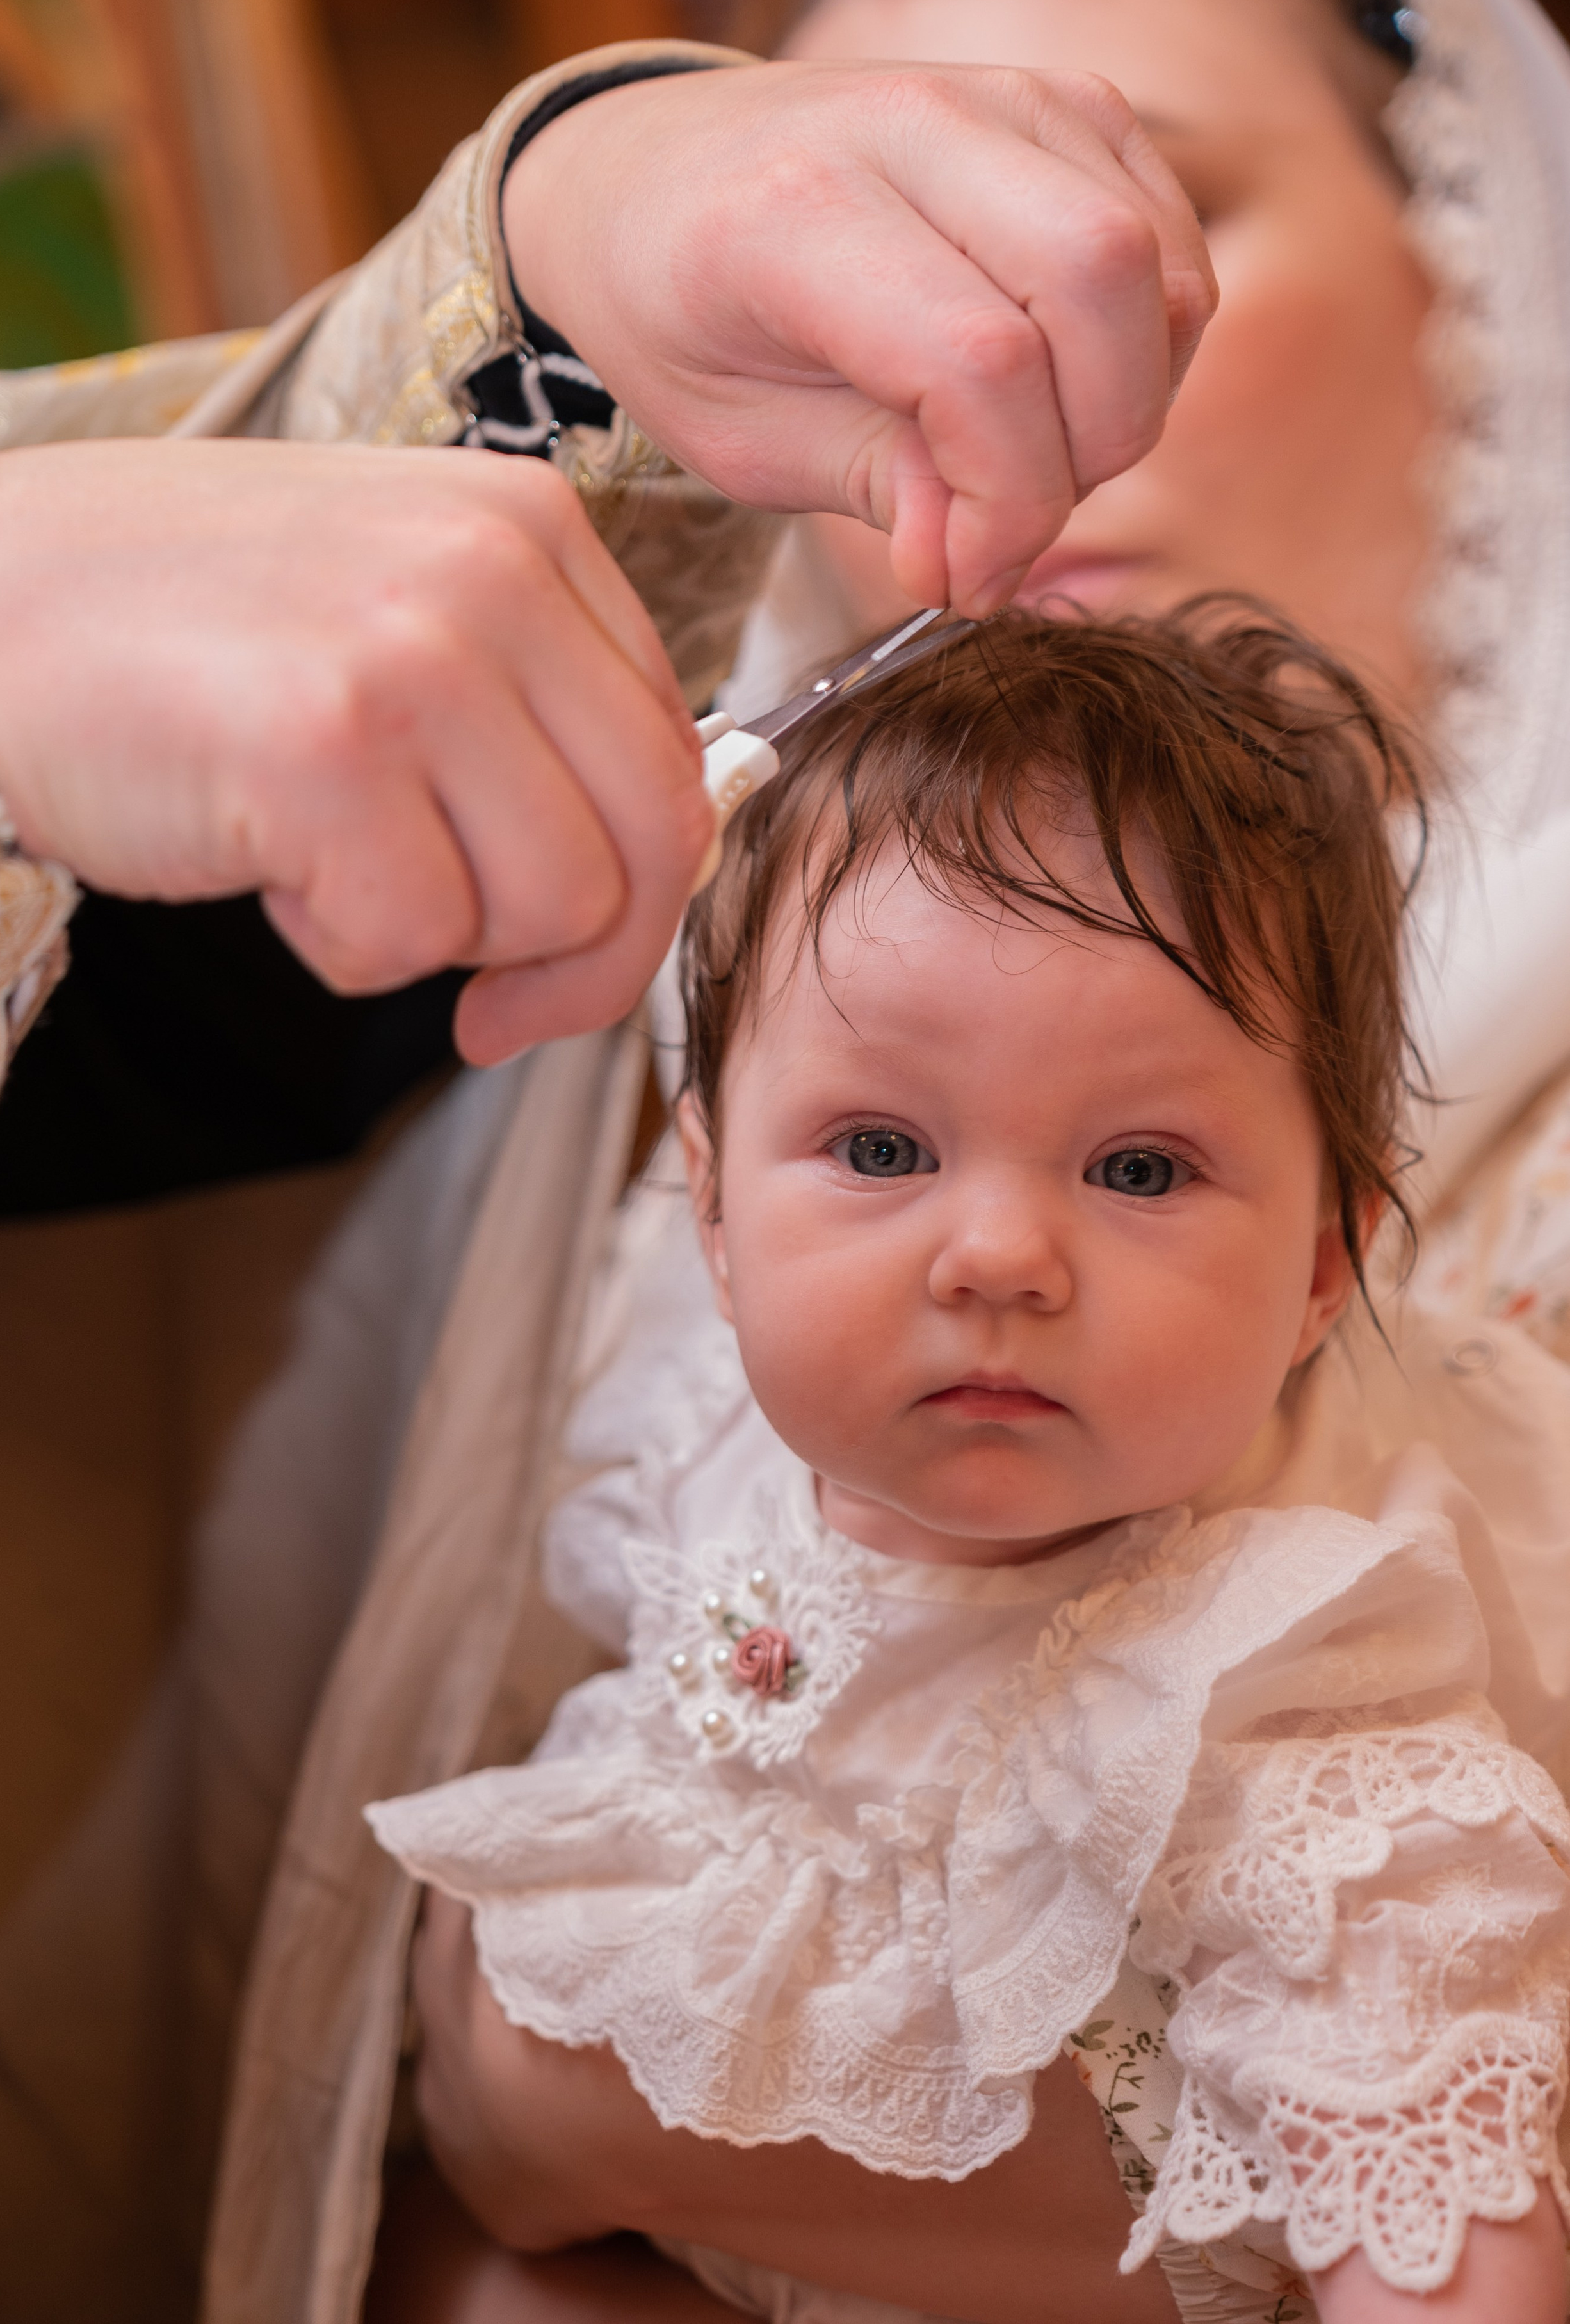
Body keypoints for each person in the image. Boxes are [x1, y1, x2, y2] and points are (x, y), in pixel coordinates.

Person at [369, 600, 1570, 2324]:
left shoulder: (1279, 1667)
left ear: (1322, 1263)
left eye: (1140, 1170)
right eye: (880, 1145)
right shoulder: (686, 1431)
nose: (999, 1252)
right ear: (709, 1207)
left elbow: (1430, 2182)